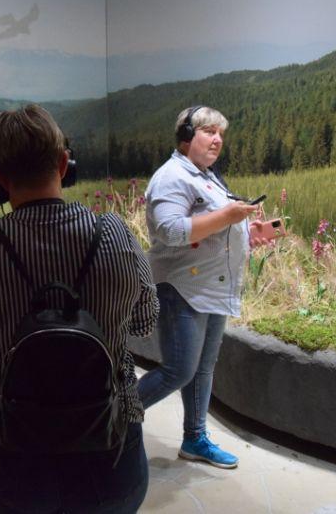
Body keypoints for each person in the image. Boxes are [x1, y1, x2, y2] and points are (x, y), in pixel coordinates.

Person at [0, 104, 159, 513]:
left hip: (8, 456)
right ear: (64, 164)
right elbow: (146, 322)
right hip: (110, 450)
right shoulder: (115, 233)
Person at [137, 105, 268, 469]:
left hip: (211, 286)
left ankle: (195, 439)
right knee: (179, 370)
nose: (217, 140)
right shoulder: (171, 178)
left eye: (221, 134)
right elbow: (171, 230)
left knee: (203, 368)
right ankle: (107, 419)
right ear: (186, 136)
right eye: (209, 132)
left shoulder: (207, 176)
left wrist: (249, 230)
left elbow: (210, 226)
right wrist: (228, 215)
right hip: (182, 288)